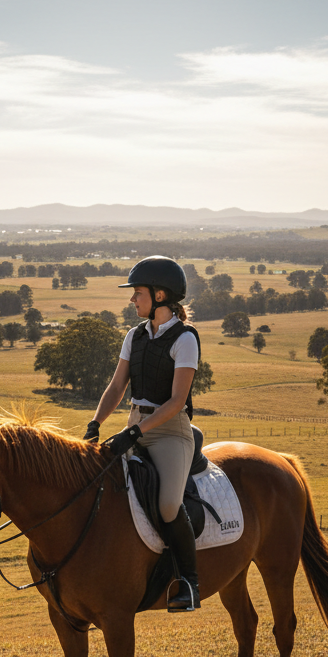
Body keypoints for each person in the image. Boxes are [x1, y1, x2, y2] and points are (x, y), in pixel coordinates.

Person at [85, 256, 202, 611]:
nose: (132, 300)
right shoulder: (134, 336)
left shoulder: (185, 339)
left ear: (160, 295)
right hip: (134, 425)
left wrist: (133, 433)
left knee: (168, 504)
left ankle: (189, 583)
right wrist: (95, 424)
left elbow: (176, 401)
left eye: (138, 293)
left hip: (170, 432)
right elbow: (117, 385)